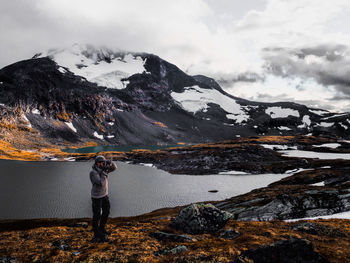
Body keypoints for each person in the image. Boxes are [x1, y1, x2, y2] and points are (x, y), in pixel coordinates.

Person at [90, 155, 117, 242]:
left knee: (106, 212)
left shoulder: (103, 169)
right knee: (97, 215)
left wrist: (110, 163)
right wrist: (105, 172)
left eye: (104, 162)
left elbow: (114, 168)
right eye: (102, 163)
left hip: (104, 195)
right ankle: (96, 232)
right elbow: (100, 183)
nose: (104, 164)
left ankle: (102, 228)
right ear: (98, 164)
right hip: (97, 197)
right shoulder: (93, 173)